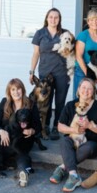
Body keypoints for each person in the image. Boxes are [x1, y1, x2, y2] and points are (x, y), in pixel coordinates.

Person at [49, 78, 97, 193]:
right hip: (73, 140)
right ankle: (73, 175)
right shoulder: (70, 105)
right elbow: (60, 127)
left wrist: (90, 126)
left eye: (90, 89)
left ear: (94, 92)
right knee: (65, 141)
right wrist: (74, 129)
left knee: (88, 147)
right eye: (83, 87)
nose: (86, 91)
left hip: (92, 144)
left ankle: (63, 167)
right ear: (78, 89)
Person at [30, 8, 72, 140]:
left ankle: (56, 127)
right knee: (45, 101)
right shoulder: (40, 33)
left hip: (61, 72)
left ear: (59, 19)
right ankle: (45, 125)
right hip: (44, 72)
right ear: (46, 18)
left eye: (56, 17)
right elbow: (36, 54)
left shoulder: (65, 33)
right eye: (51, 17)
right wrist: (31, 71)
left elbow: (72, 49)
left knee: (60, 101)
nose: (53, 20)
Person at [74, 8, 97, 110]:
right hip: (83, 69)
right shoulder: (83, 35)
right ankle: (79, 121)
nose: (94, 22)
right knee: (82, 97)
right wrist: (89, 74)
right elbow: (78, 56)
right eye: (91, 19)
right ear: (88, 22)